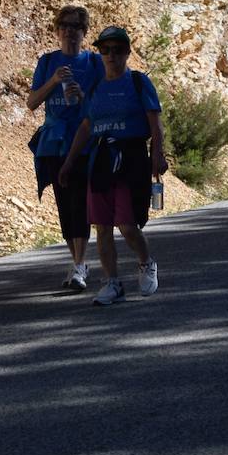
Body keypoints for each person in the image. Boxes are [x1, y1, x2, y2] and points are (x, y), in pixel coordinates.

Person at [59, 26, 165, 306]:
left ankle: (146, 262)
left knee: (127, 225)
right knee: (102, 226)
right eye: (104, 49)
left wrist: (158, 155)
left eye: (117, 49)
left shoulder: (139, 82)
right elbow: (86, 126)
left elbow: (154, 122)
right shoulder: (96, 88)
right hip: (101, 160)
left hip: (130, 158)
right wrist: (69, 162)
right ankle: (112, 283)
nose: (110, 55)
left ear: (127, 53)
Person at [27, 5, 103, 292]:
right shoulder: (48, 62)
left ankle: (81, 264)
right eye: (65, 26)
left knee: (80, 203)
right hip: (55, 143)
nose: (70, 31)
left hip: (84, 143)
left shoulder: (94, 63)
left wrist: (82, 97)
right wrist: (54, 82)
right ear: (57, 31)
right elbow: (32, 102)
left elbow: (102, 105)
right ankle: (77, 261)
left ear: (84, 32)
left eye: (76, 26)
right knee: (63, 204)